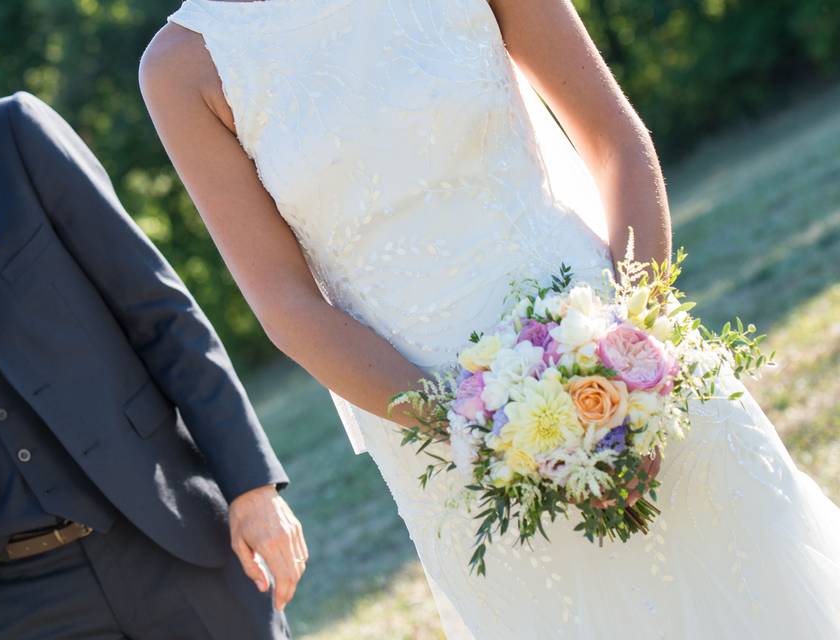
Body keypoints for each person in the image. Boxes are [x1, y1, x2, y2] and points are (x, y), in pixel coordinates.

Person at [138, 1, 840, 638]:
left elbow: (614, 141)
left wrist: (637, 350)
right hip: (451, 438)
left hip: (624, 346)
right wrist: (483, 434)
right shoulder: (183, 69)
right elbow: (287, 306)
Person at [0, 85, 305, 639]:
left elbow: (160, 315)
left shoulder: (6, 134)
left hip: (171, 533)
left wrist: (253, 487)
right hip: (18, 602)